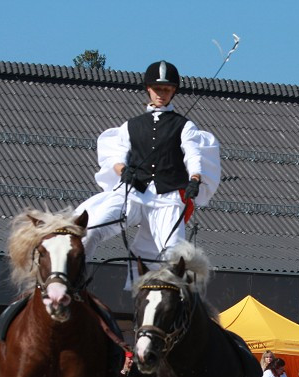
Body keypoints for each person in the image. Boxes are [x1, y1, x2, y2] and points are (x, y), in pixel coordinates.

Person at [73, 60, 220, 280]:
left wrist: (195, 179)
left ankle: (176, 301)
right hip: (133, 192)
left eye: (167, 89)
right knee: (91, 228)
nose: (162, 94)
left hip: (168, 198)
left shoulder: (184, 126)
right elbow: (115, 154)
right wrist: (123, 170)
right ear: (148, 89)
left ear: (173, 92)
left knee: (173, 255)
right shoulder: (130, 125)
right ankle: (74, 279)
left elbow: (193, 154)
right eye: (158, 89)